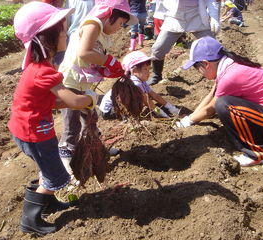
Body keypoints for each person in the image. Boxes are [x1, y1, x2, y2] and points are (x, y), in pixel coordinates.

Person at [9, 1, 98, 236]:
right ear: (47, 38)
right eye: (62, 29)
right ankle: (30, 219)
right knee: (54, 175)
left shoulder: (37, 67)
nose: (66, 33)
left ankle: (48, 203)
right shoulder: (44, 72)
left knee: (48, 170)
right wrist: (89, 99)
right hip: (35, 134)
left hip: (30, 129)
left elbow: (54, 102)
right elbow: (73, 101)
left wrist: (79, 100)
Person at [175, 36, 263, 167]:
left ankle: (260, 154)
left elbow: (210, 109)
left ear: (206, 64)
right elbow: (211, 95)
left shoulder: (231, 76)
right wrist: (189, 119)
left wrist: (186, 122)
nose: (198, 72)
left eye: (197, 67)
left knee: (224, 105)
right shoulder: (229, 66)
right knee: (223, 103)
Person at [58, 0, 138, 174]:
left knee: (90, 118)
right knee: (72, 123)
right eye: (120, 23)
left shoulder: (101, 31)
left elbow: (92, 57)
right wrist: (110, 62)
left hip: (83, 81)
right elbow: (84, 52)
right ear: (110, 15)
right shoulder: (93, 24)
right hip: (71, 80)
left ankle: (97, 149)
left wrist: (105, 69)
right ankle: (66, 157)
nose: (119, 28)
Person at [147, 0, 221, 85]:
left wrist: (214, 18)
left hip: (197, 15)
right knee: (158, 48)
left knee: (213, 47)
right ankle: (157, 75)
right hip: (175, 17)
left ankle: (219, 73)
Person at [99, 51, 180, 119]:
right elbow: (148, 102)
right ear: (134, 71)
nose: (148, 72)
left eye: (149, 69)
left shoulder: (141, 80)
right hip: (109, 111)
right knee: (138, 103)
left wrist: (172, 108)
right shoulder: (134, 83)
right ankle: (126, 117)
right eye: (145, 69)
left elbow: (154, 96)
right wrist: (163, 115)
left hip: (116, 106)